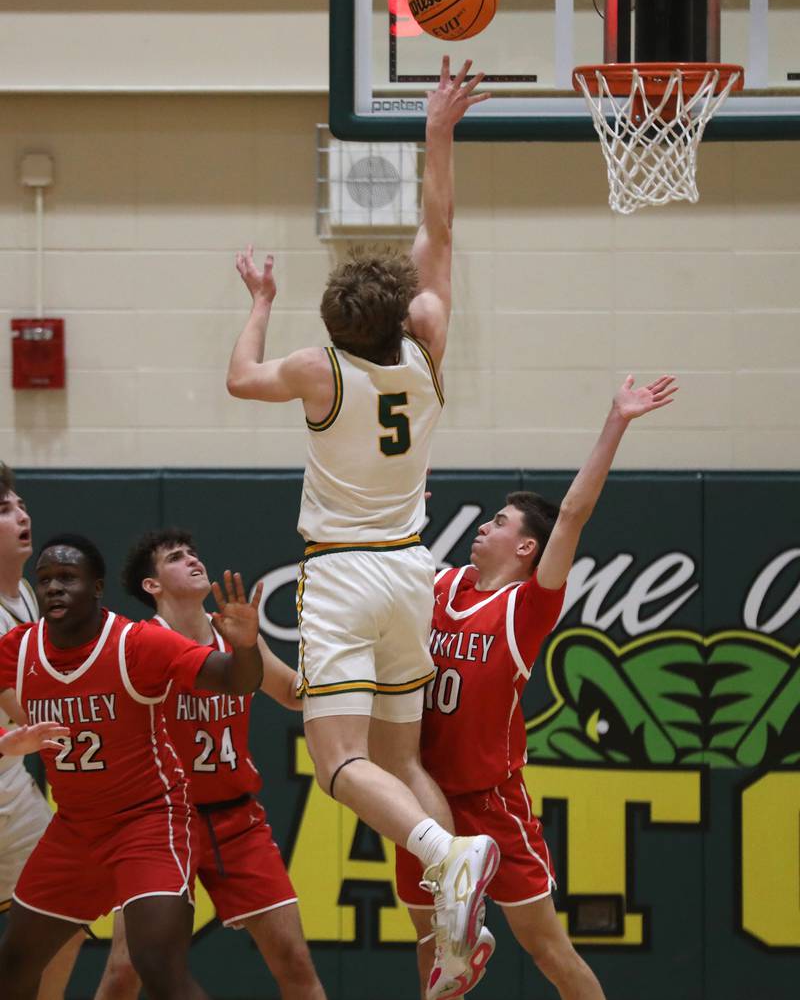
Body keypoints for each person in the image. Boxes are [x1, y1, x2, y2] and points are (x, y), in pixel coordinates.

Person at [226, 55, 498, 995]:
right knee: (401, 758)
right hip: (411, 572)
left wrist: (257, 303)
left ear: (336, 327)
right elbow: (440, 227)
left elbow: (237, 377)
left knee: (337, 762)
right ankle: (450, 942)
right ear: (401, 318)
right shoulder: (426, 348)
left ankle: (448, 854)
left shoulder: (317, 370)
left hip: (342, 573)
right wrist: (438, 129)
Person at [395, 374, 678, 1000]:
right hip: (421, 798)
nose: (482, 527)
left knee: (548, 950)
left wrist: (617, 420)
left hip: (489, 801)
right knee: (435, 953)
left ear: (526, 546)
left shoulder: (526, 607)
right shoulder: (441, 587)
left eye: (497, 521)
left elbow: (574, 512)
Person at [0, 532, 264, 1000]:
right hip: (75, 829)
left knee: (156, 965)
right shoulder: (18, 648)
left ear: (97, 588)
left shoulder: (136, 644)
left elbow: (234, 681)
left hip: (148, 822)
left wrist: (244, 647)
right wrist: (7, 743)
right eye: (44, 580)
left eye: (68, 578)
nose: (54, 588)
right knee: (14, 966)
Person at [94, 528, 325, 1000]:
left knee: (294, 960)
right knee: (123, 972)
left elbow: (290, 693)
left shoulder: (232, 634)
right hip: (161, 825)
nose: (193, 560)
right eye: (177, 558)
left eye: (194, 553)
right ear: (152, 585)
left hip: (236, 819)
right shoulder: (139, 644)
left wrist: (348, 665)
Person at [0, 465, 85, 999]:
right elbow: (28, 708)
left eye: (21, 504)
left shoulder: (28, 593)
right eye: (4, 510)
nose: (21, 515)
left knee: (65, 918)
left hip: (11, 788)